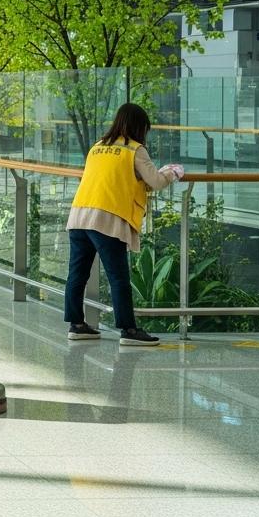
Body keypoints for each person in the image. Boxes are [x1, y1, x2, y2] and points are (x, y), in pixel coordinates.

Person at [65, 103, 183, 346]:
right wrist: (173, 172)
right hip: (107, 218)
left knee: (77, 274)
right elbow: (156, 181)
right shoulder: (134, 150)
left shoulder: (97, 147)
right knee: (118, 277)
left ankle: (76, 325)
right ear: (139, 127)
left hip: (79, 215)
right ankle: (129, 330)